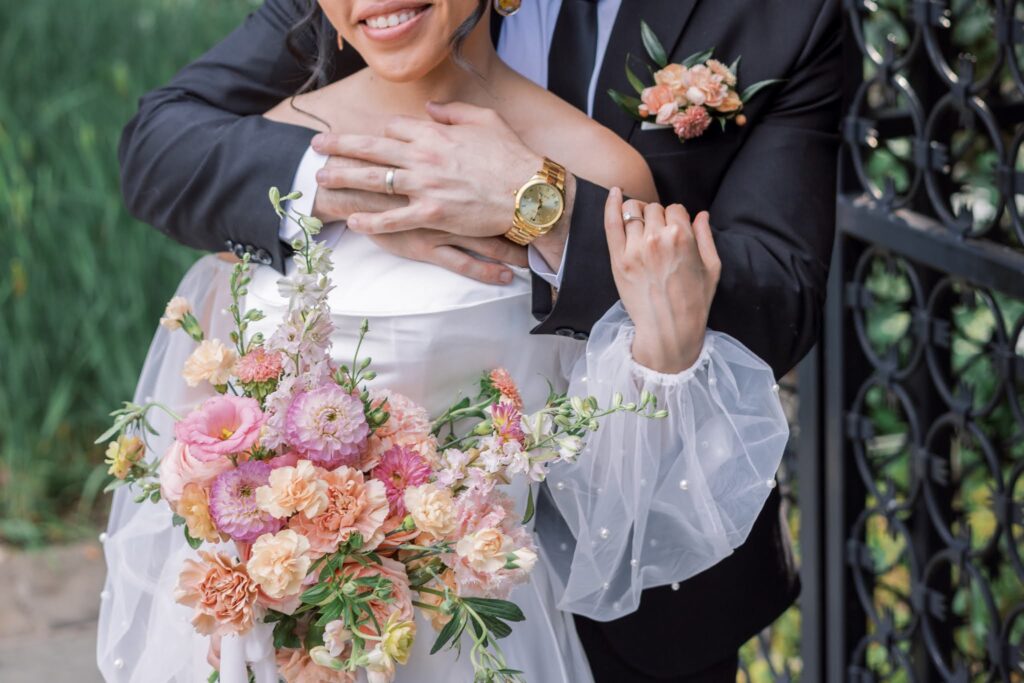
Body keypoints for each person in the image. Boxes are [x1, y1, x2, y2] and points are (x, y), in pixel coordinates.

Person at [115, 1, 842, 679]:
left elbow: (776, 299)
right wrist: (332, 182)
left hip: (594, 591)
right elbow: (162, 145)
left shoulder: (758, 40)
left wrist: (541, 209)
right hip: (301, 619)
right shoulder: (315, 92)